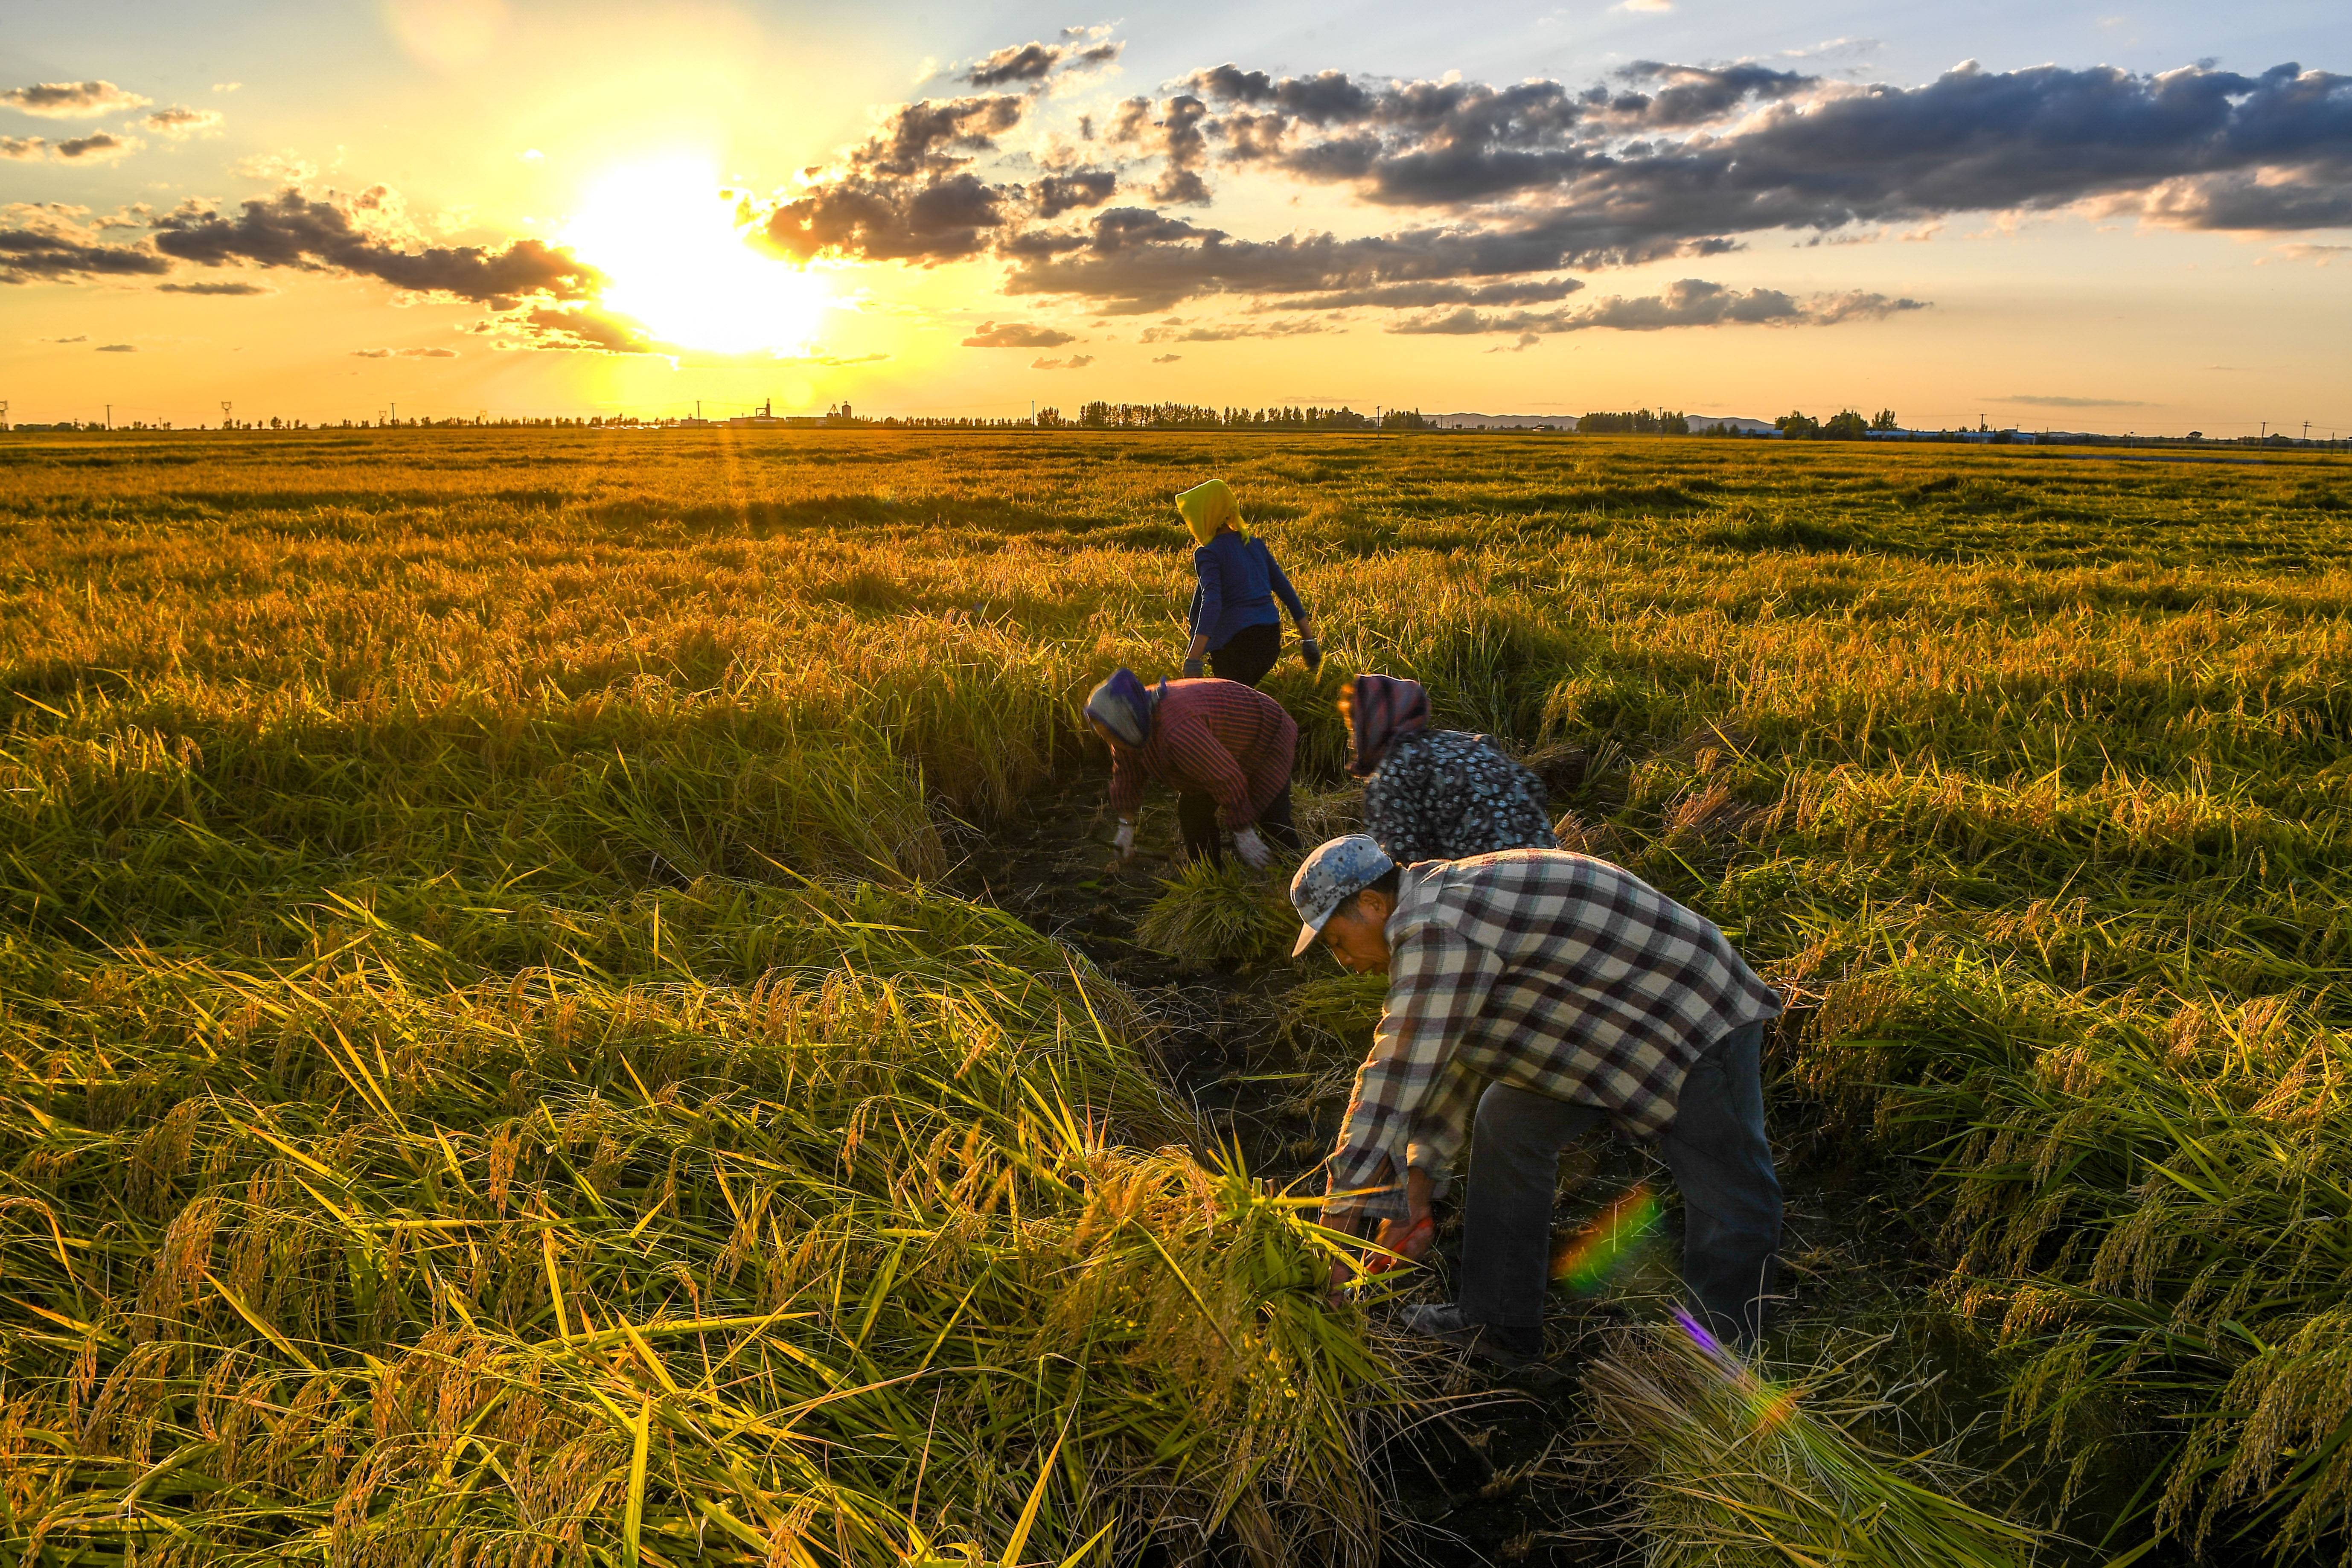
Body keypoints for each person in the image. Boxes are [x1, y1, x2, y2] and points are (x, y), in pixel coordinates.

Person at [1289, 834, 1784, 1361]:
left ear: (1371, 904)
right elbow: (1447, 1059)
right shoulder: (1433, 909)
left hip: (1687, 1013)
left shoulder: (1438, 927)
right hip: (1598, 1024)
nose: (1342, 960)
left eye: (1338, 942)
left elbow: (1390, 1082)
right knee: (1507, 1120)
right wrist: (1417, 1186)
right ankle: (1496, 1324)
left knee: (1730, 1192)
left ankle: (1721, 1362)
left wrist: (1336, 1235)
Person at [1086, 667, 1301, 869]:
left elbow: (1223, 777)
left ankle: (1300, 876)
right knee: (1193, 812)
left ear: (1126, 721)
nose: (1109, 740)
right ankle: (1209, 878)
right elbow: (1127, 775)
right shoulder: (1129, 728)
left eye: (1109, 733)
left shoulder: (1178, 731)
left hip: (1264, 734)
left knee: (1272, 817)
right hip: (1219, 742)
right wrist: (1126, 826)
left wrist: (1243, 830)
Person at [1343, 674, 1558, 863]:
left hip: (1496, 886)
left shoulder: (1392, 772)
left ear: (1374, 724)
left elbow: (1399, 863)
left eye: (1355, 729)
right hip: (1556, 866)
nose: (1353, 743)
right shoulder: (1470, 743)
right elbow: (1534, 787)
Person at [1173, 479, 1321, 687]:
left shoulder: (1209, 553)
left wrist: (1193, 659)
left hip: (1235, 647)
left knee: (1229, 711)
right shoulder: (1255, 545)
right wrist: (1309, 641)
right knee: (1242, 699)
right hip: (1269, 642)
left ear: (1202, 516)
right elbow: (1285, 590)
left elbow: (1212, 602)